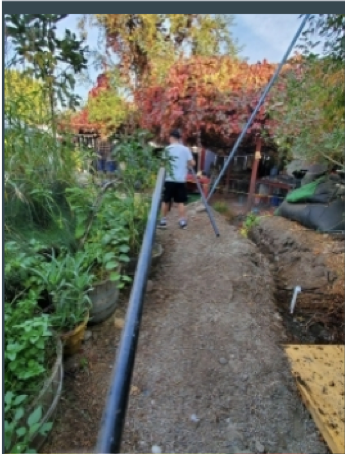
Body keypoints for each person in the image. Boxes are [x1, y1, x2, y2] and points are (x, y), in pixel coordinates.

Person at [158, 129, 195, 229]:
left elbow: (162, 164)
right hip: (180, 180)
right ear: (179, 138)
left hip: (169, 180)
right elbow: (192, 163)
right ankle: (182, 222)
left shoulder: (167, 149)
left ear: (171, 138)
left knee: (166, 201)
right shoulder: (185, 149)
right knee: (180, 202)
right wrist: (185, 164)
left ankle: (163, 221)